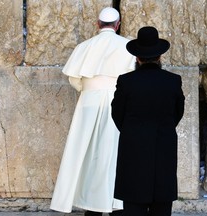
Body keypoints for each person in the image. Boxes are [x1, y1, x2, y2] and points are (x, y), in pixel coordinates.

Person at [50, 7, 135, 216]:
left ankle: (92, 205)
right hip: (117, 103)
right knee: (115, 155)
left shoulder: (83, 47)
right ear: (118, 25)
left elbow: (74, 79)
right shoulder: (128, 47)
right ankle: (116, 203)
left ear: (98, 24)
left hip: (88, 104)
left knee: (86, 156)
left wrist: (89, 92)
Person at [111, 26, 185, 216]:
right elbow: (178, 112)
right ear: (160, 56)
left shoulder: (126, 81)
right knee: (162, 204)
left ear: (137, 58)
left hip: (133, 148)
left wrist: (132, 131)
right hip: (164, 147)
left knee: (134, 204)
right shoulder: (173, 80)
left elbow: (117, 113)